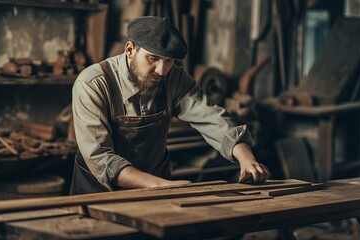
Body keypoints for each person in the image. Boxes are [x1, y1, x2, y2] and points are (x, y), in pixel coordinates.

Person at [70, 16, 270, 194]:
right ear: (130, 50)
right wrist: (160, 186)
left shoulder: (173, 78)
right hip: (99, 194)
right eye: (153, 58)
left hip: (157, 189)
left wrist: (246, 158)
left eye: (169, 61)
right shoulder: (92, 83)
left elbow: (211, 117)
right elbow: (101, 159)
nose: (162, 70)